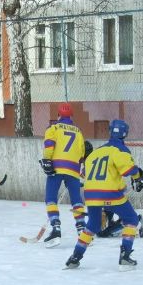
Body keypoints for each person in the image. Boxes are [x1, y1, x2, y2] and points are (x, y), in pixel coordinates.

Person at [64, 119, 143, 271]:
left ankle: (75, 257)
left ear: (110, 131)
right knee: (131, 220)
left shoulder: (96, 152)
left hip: (90, 194)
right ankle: (125, 256)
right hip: (110, 193)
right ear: (125, 134)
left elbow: (84, 173)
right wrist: (138, 178)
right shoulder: (120, 150)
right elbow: (129, 170)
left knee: (92, 225)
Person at [39, 103, 86, 247]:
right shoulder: (78, 131)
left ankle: (56, 228)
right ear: (71, 116)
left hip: (56, 168)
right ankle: (82, 231)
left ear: (58, 115)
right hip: (73, 169)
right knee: (77, 200)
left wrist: (47, 160)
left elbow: (49, 146)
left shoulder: (53, 128)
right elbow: (82, 153)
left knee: (51, 199)